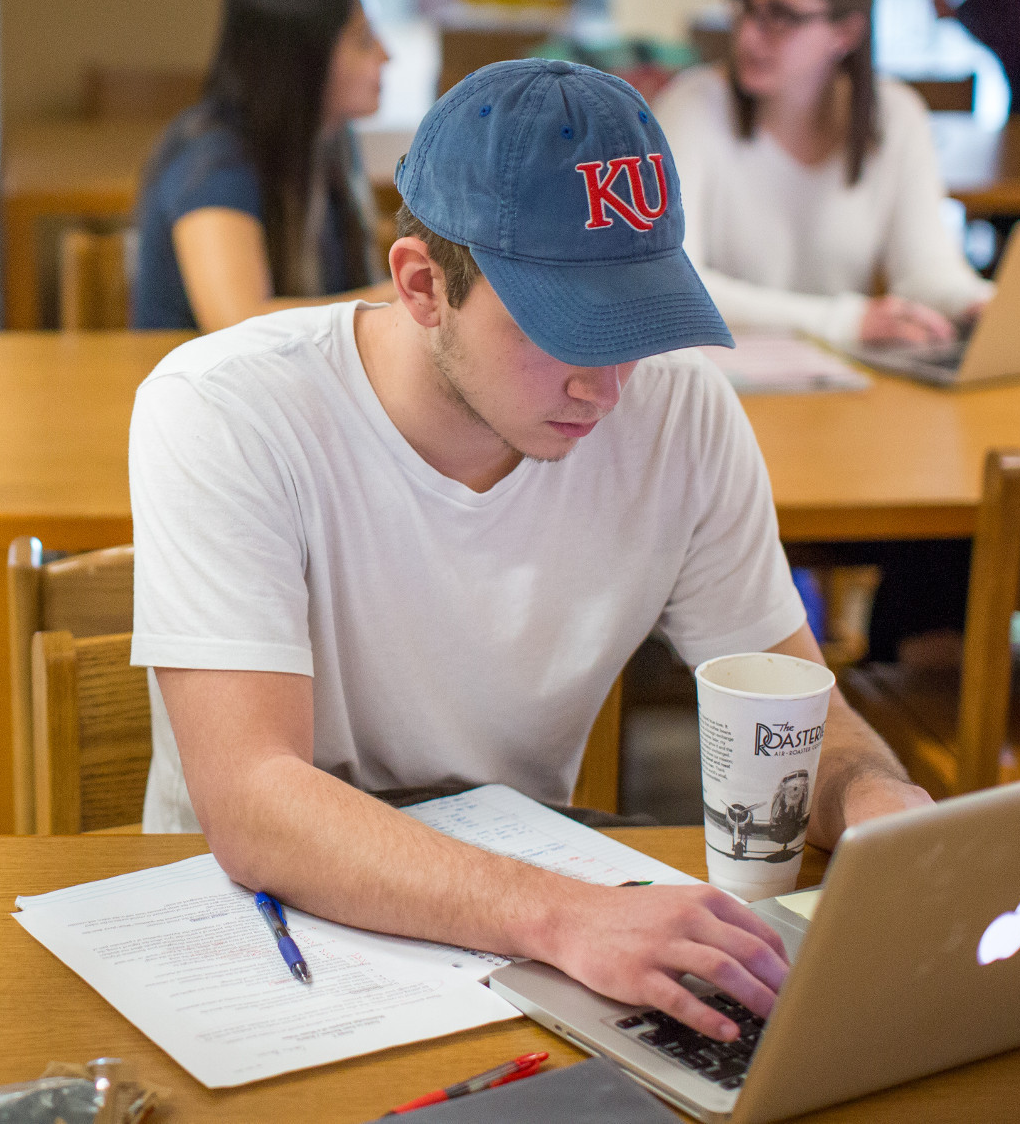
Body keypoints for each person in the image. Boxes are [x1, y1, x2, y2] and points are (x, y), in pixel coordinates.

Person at [128, 58, 932, 1045]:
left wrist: (871, 797)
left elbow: (792, 712)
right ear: (422, 286)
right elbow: (253, 805)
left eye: (635, 323)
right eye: (562, 332)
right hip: (262, 941)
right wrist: (565, 916)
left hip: (518, 935)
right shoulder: (226, 407)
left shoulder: (681, 416)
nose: (609, 384)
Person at [655, 0, 994, 350]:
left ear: (846, 32)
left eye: (779, 15)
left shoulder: (896, 115)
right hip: (723, 387)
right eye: (744, 5)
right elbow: (674, 288)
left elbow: (926, 272)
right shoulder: (691, 107)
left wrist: (979, 303)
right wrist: (845, 322)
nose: (747, 37)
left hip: (840, 388)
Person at [129, 0, 399, 332]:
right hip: (198, 387)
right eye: (363, 40)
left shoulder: (331, 141)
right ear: (301, 57)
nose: (387, 55)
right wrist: (399, 295)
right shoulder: (214, 158)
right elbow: (236, 324)